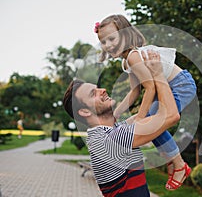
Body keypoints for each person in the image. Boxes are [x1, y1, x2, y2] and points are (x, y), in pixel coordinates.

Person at [63, 51, 191, 196]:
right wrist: (158, 75)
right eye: (94, 94)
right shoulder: (110, 141)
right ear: (85, 112)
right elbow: (170, 116)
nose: (103, 90)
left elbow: (150, 116)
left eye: (98, 88)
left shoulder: (107, 133)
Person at [94, 14, 197, 190]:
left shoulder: (134, 56)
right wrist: (116, 114)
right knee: (149, 120)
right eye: (103, 42)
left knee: (153, 120)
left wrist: (141, 119)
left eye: (112, 38)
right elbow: (135, 91)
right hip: (166, 88)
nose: (108, 45)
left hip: (181, 85)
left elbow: (150, 88)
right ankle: (172, 160)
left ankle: (179, 165)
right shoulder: (127, 61)